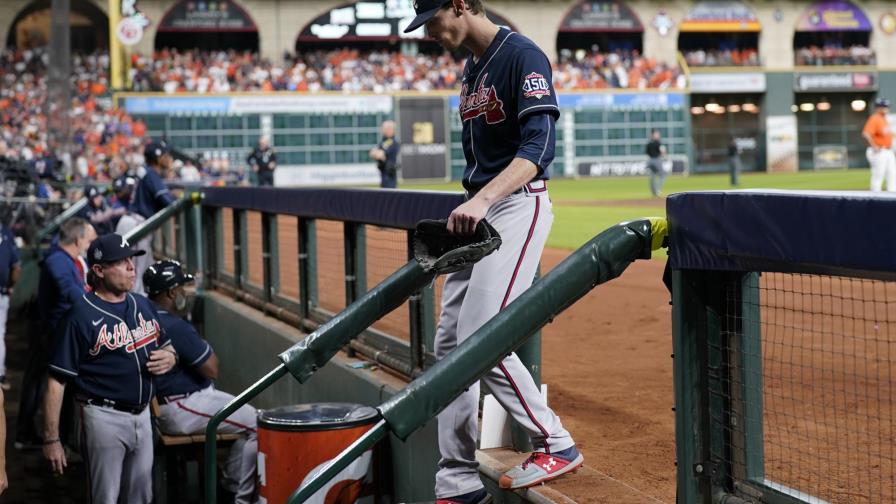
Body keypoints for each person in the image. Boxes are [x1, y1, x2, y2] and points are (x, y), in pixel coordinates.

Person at [404, 2, 582, 502]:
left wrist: (483, 199)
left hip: (516, 205)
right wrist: (476, 201)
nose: (429, 31)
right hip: (480, 213)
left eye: (432, 19)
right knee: (449, 347)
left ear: (460, 4)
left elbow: (539, 147)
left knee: (480, 336)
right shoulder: (473, 68)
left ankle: (555, 441)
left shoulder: (522, 54)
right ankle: (457, 478)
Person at [43, 233, 176, 504]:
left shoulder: (142, 304)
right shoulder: (80, 315)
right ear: (99, 270)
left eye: (131, 259)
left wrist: (170, 357)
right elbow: (56, 381)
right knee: (105, 498)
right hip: (103, 417)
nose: (131, 267)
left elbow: (168, 346)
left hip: (143, 416)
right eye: (121, 262)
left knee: (141, 497)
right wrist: (51, 439)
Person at [144, 260, 258, 504]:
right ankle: (235, 496)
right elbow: (212, 368)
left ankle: (229, 485)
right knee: (258, 424)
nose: (186, 292)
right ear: (171, 292)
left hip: (167, 404)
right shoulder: (174, 325)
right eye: (182, 288)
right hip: (180, 406)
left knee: (247, 422)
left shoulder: (144, 315)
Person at [16, 218, 96, 448]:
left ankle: (38, 435)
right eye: (88, 240)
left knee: (45, 382)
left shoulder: (66, 259)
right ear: (78, 239)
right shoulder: (58, 260)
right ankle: (29, 435)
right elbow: (72, 293)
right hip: (49, 332)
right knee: (41, 383)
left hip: (54, 331)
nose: (89, 245)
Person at [133, 141, 176, 219]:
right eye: (166, 155)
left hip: (133, 218)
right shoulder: (151, 174)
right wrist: (176, 196)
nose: (169, 158)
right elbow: (168, 202)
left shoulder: (146, 171)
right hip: (138, 222)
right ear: (158, 158)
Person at [0, 224, 20, 391]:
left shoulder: (7, 233)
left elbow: (16, 267)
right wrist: (11, 287)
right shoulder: (6, 233)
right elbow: (16, 266)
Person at [862, 97, 896, 192]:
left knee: (892, 175)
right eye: (883, 106)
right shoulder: (875, 118)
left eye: (886, 106)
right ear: (877, 107)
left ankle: (892, 197)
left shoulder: (884, 119)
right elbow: (866, 133)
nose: (885, 108)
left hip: (888, 151)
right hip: (879, 151)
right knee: (878, 176)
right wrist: (874, 146)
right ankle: (875, 198)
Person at [369, 121, 401, 188]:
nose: (383, 130)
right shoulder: (383, 142)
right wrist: (376, 153)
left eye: (386, 128)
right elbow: (372, 153)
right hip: (383, 175)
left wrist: (377, 153)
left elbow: (380, 154)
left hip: (390, 175)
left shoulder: (394, 142)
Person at [645, 129, 667, 197]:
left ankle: (653, 192)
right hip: (657, 160)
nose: (658, 135)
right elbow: (663, 152)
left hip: (650, 160)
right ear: (654, 135)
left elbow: (647, 153)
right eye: (657, 134)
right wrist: (664, 156)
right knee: (662, 175)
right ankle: (657, 190)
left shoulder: (649, 143)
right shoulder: (658, 143)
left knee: (652, 176)